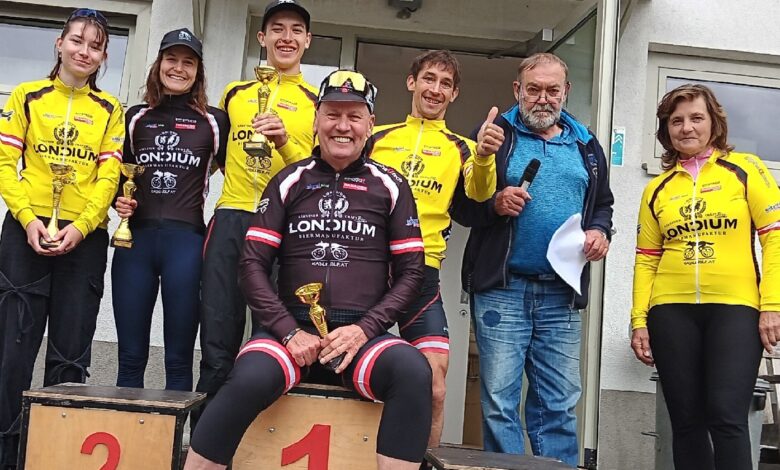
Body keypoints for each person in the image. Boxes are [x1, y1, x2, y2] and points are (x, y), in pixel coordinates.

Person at [184, 70, 432, 470]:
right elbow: (252, 265)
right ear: (316, 120)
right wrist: (289, 331)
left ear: (370, 123)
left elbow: (412, 273)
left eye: (354, 116)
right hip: (290, 334)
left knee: (413, 371)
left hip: (359, 338)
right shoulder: (288, 180)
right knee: (245, 378)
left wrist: (364, 329)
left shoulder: (391, 185)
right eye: (332, 114)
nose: (342, 126)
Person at [451, 53, 613, 466]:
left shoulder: (586, 144)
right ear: (517, 90)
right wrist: (495, 204)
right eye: (534, 89)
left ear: (566, 91)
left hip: (562, 293)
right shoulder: (492, 135)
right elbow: (462, 207)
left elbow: (603, 205)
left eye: (552, 90)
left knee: (558, 402)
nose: (543, 98)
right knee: (499, 401)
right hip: (503, 289)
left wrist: (599, 232)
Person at [630, 83, 780, 470]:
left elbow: (774, 239)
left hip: (735, 308)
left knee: (727, 416)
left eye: (696, 118)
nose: (687, 128)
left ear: (714, 122)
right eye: (676, 121)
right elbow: (646, 259)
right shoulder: (657, 189)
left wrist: (772, 305)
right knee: (686, 423)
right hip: (670, 311)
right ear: (666, 130)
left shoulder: (746, 169)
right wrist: (639, 321)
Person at [0, 9, 123, 467]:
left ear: (104, 56)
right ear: (59, 43)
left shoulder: (110, 110)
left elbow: (108, 178)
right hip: (25, 232)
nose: (84, 51)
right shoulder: (27, 96)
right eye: (77, 41)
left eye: (95, 46)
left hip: (83, 240)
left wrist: (82, 226)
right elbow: (5, 164)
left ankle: (53, 457)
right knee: (12, 355)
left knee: (70, 357)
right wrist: (27, 218)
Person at [368, 49, 500, 450]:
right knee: (349, 373)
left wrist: (484, 156)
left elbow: (481, 193)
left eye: (446, 84)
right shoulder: (377, 137)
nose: (435, 89)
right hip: (368, 267)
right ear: (412, 82)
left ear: (454, 94)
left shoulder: (462, 148)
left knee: (435, 386)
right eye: (428, 78)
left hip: (420, 271)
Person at [194, 0, 317, 423]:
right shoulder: (234, 94)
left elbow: (317, 174)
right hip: (232, 217)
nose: (287, 37)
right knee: (217, 336)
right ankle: (205, 439)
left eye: (296, 30)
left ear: (308, 41)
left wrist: (285, 141)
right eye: (277, 28)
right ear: (262, 37)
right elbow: (213, 157)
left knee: (274, 340)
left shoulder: (315, 101)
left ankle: (262, 441)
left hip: (286, 227)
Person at [111, 28, 229, 392]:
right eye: (171, 59)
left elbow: (239, 175)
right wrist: (119, 201)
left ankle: (175, 431)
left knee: (178, 359)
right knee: (130, 357)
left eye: (188, 62)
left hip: (187, 246)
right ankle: (130, 428)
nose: (178, 68)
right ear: (158, 64)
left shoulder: (215, 120)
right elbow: (118, 177)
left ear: (198, 71)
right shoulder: (135, 116)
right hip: (135, 244)